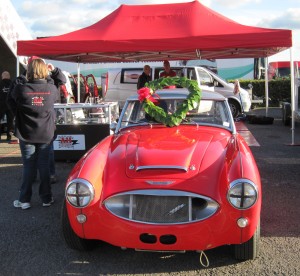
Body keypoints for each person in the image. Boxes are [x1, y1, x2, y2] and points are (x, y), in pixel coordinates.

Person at [8, 58, 60, 209]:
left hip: (26, 132)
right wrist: (53, 71)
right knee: (44, 166)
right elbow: (60, 80)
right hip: (45, 133)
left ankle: (24, 200)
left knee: (28, 166)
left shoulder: (21, 88)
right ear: (44, 71)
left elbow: (9, 99)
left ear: (28, 71)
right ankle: (46, 198)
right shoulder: (51, 89)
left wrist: (17, 113)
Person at [0, 71, 14, 141]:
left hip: (1, 105)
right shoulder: (13, 84)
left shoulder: (0, 83)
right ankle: (9, 137)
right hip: (10, 105)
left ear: (2, 76)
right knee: (10, 122)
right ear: (9, 76)